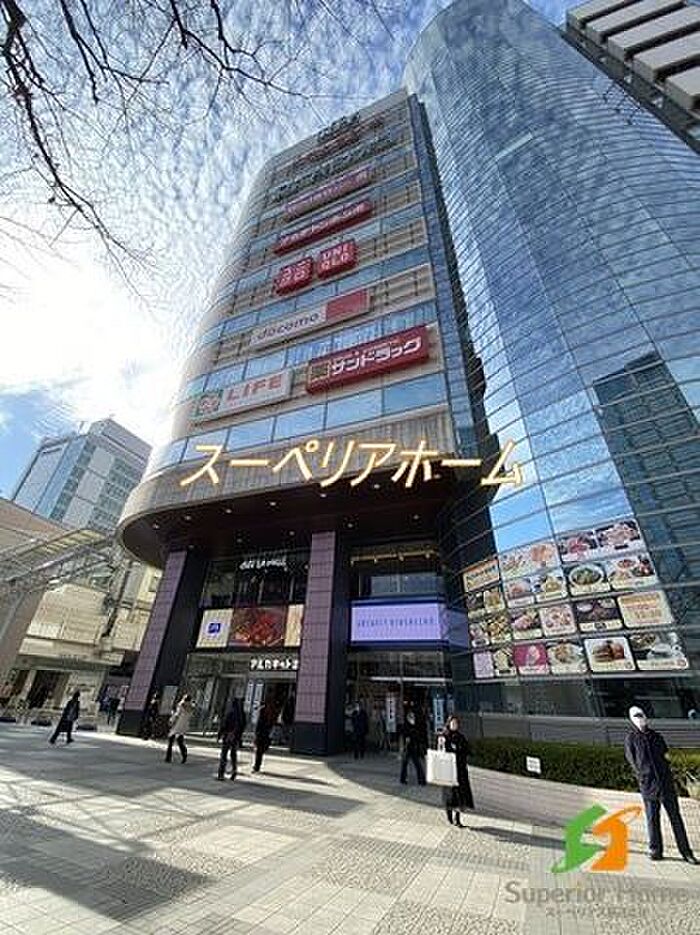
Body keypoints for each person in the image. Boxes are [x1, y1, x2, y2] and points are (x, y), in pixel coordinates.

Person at [624, 705, 698, 864]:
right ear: (631, 719)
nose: (640, 718)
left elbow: (665, 755)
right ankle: (655, 850)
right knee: (652, 819)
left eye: (641, 715)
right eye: (636, 716)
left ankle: (686, 852)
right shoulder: (631, 739)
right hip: (648, 786)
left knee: (676, 818)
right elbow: (632, 761)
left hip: (666, 784)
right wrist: (642, 777)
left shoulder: (656, 736)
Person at [440, 716, 474, 828]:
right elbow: (440, 752)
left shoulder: (461, 737)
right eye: (452, 723)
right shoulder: (444, 737)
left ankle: (457, 818)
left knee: (460, 795)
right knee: (450, 795)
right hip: (448, 770)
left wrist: (462, 751)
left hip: (460, 770)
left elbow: (468, 750)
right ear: (448, 724)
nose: (454, 725)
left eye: (456, 723)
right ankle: (449, 813)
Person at [217, 697, 246, 781]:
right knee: (233, 754)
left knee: (224, 754)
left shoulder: (230, 712)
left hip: (228, 735)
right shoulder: (242, 714)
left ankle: (221, 773)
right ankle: (234, 770)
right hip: (236, 737)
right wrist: (239, 736)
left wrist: (220, 734)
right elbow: (243, 725)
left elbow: (224, 724)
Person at [165, 694, 194, 764]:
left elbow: (177, 715)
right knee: (180, 741)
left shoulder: (181, 705)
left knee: (171, 740)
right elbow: (190, 717)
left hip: (177, 724)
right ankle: (184, 755)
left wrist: (171, 721)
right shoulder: (191, 707)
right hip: (184, 726)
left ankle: (168, 757)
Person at [400, 708, 426, 785]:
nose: (412, 718)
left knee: (417, 764)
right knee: (405, 764)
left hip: (414, 747)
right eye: (410, 716)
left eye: (413, 716)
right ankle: (403, 779)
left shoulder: (416, 725)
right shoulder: (405, 725)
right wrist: (405, 741)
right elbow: (403, 735)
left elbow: (419, 736)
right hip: (407, 747)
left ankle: (421, 780)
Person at [252, 702, 272, 773]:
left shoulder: (261, 719)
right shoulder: (267, 719)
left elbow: (258, 729)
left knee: (258, 753)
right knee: (259, 753)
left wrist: (255, 737)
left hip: (260, 737)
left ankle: (256, 767)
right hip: (263, 737)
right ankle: (257, 766)